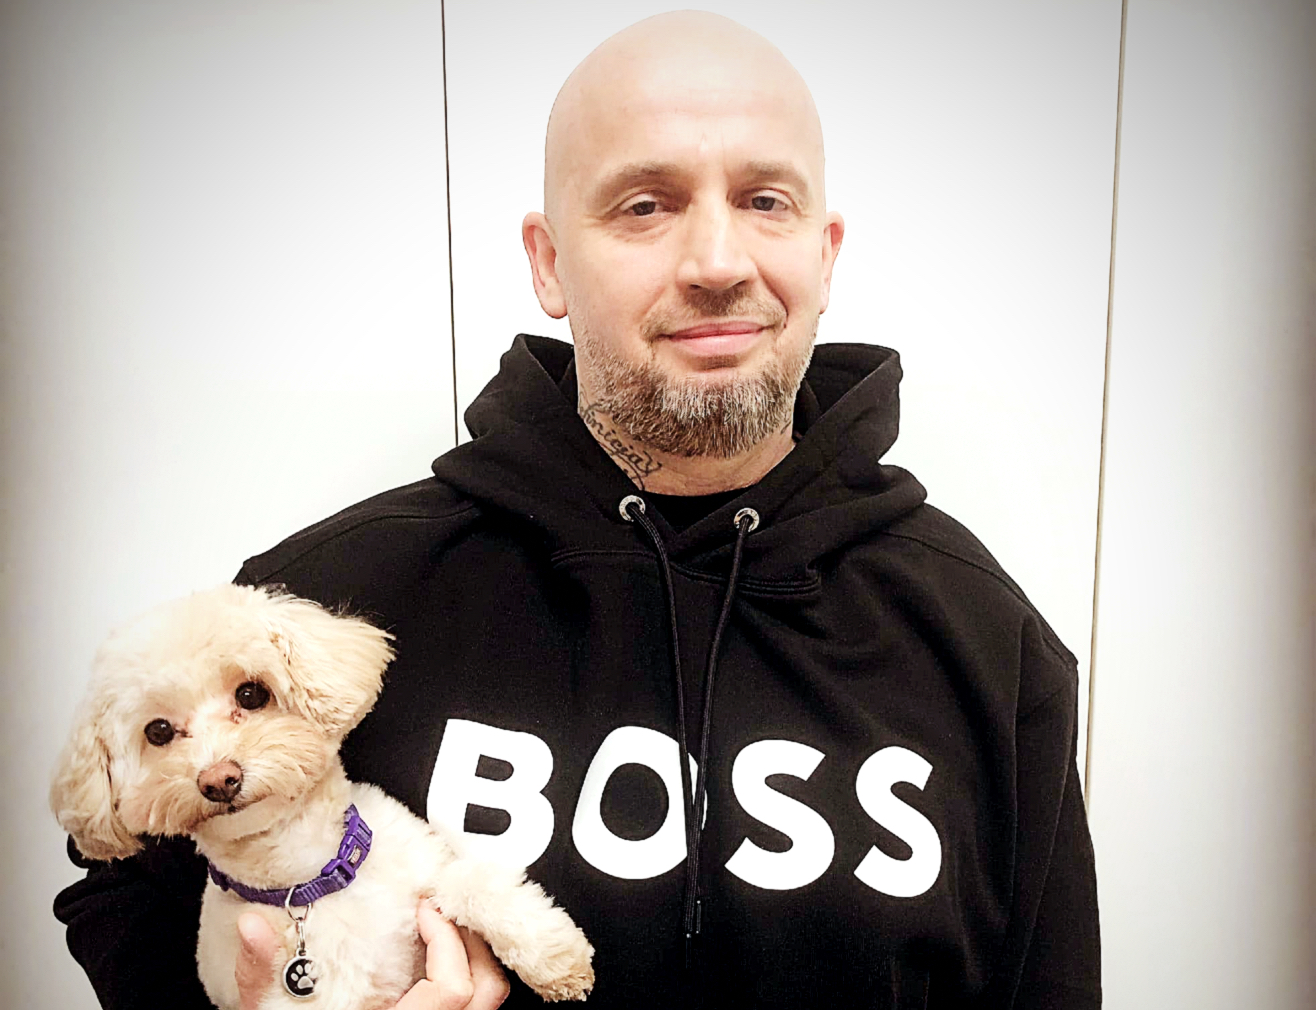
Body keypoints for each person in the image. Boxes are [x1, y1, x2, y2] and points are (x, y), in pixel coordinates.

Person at [54, 10, 1100, 1009]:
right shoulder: (319, 611)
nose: (717, 262)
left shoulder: (983, 641)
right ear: (549, 262)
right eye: (645, 204)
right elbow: (120, 881)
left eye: (764, 200)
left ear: (824, 254)